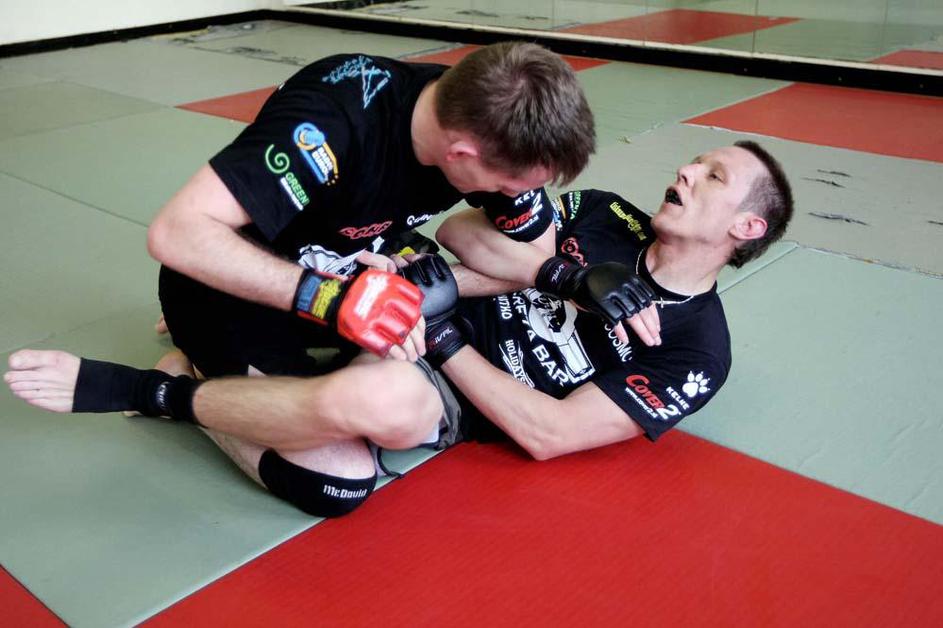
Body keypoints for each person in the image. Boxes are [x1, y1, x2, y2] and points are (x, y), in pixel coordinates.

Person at [5, 142, 793, 518]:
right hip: (409, 295)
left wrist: (441, 337)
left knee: (338, 482)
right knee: (352, 231)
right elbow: (461, 235)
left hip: (439, 383)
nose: (686, 171)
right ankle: (237, 327)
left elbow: (548, 432)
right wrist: (564, 273)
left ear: (745, 226)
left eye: (712, 177)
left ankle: (172, 387)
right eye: (695, 162)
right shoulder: (606, 214)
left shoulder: (698, 350)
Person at [150, 41, 597, 376]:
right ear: (461, 154)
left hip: (353, 271)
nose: (509, 195)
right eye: (505, 186)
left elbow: (536, 255)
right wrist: (330, 299)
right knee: (327, 466)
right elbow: (176, 232)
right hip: (240, 285)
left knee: (407, 406)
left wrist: (419, 288)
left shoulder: (487, 119)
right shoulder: (331, 123)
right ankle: (182, 384)